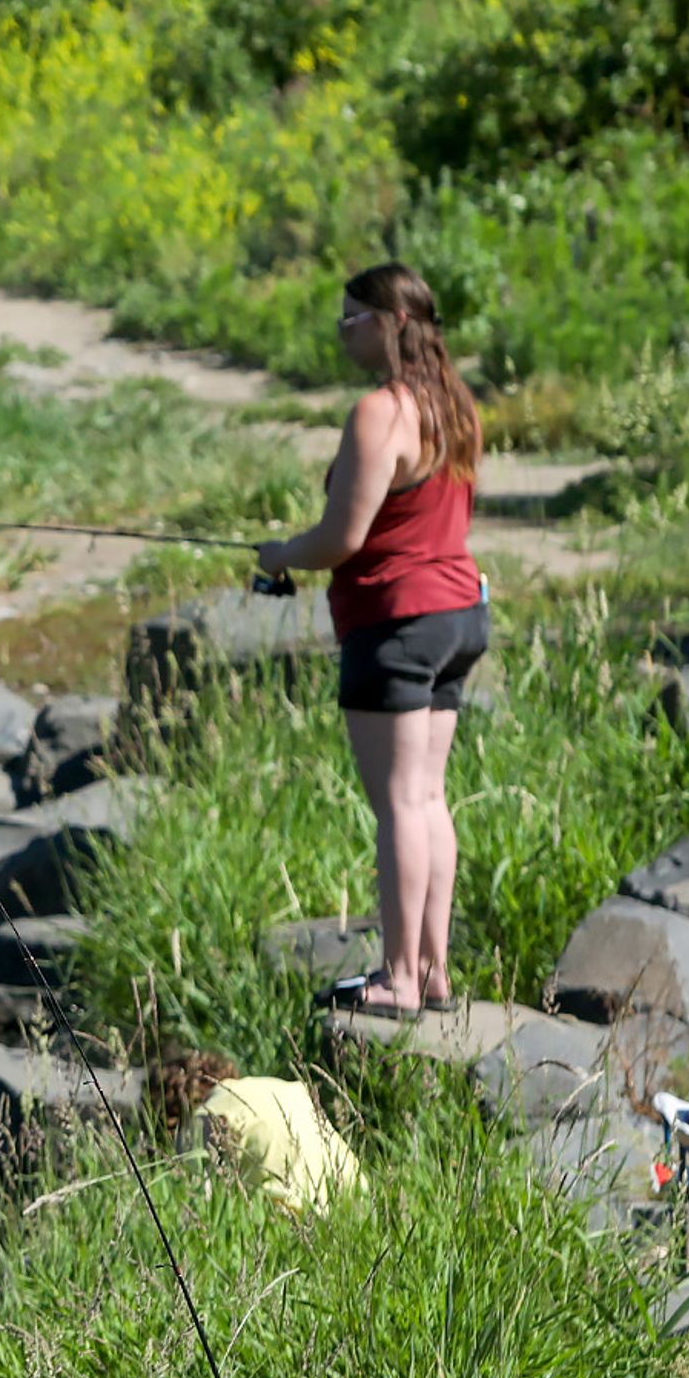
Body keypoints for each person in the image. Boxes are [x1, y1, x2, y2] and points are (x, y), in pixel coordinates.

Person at [254, 263, 487, 1018]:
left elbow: (342, 537)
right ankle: (436, 970)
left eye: (351, 318)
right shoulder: (453, 405)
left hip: (395, 621)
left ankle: (400, 978)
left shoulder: (379, 412)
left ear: (391, 322)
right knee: (427, 796)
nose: (341, 331)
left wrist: (285, 553)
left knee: (397, 805)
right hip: (457, 615)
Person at [148, 1049, 362, 1216]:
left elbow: (196, 1200)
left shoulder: (205, 1117)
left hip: (283, 1211)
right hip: (354, 1198)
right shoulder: (283, 1087)